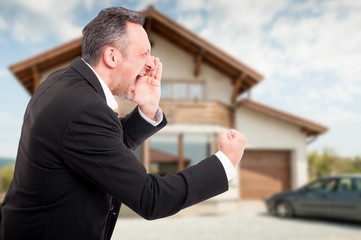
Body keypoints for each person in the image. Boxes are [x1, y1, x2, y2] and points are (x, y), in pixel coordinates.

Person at [0, 7, 247, 240]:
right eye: (144, 53)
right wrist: (225, 162)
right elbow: (151, 198)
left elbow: (99, 147)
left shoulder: (63, 82)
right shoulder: (85, 109)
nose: (151, 64)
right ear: (112, 56)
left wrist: (148, 109)